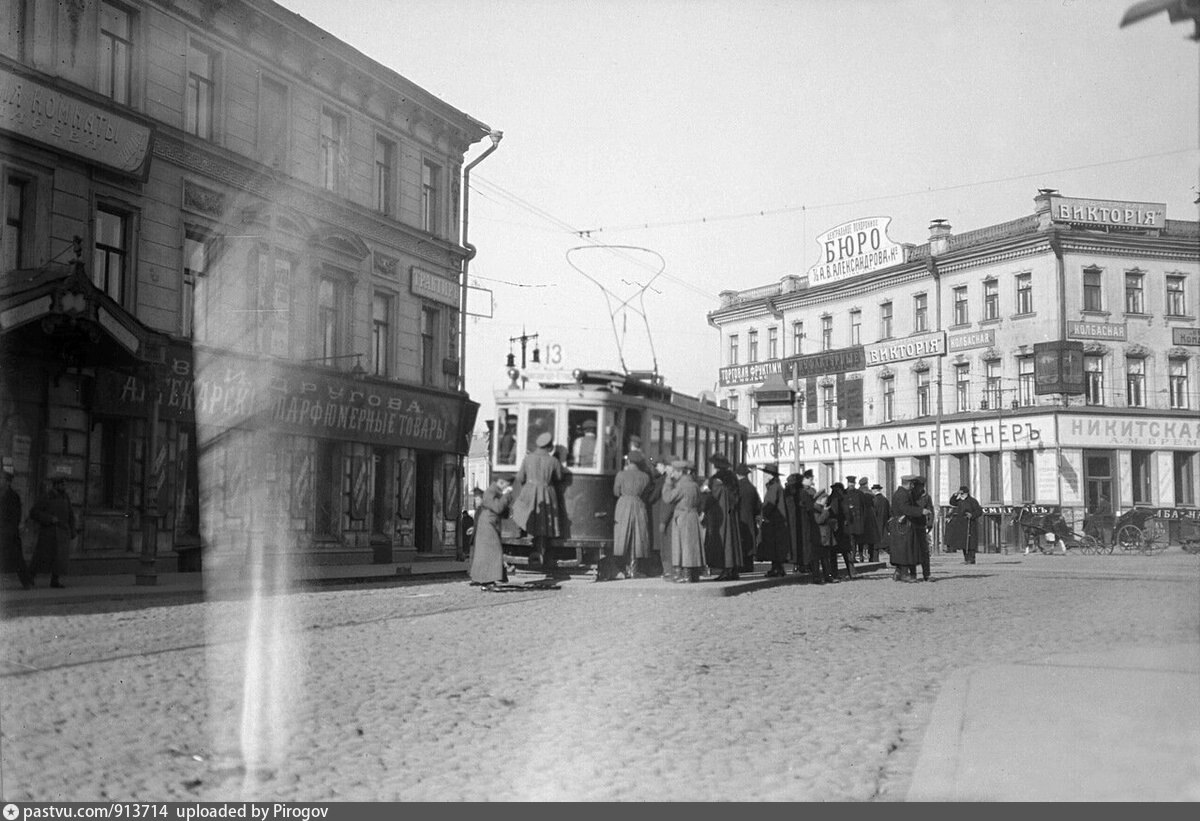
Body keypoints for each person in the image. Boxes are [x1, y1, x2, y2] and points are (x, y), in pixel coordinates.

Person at [511, 431, 564, 578]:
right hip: (546, 492)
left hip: (529, 490)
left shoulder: (528, 458)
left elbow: (520, 477)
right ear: (549, 446)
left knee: (525, 514)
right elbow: (560, 477)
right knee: (543, 523)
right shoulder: (553, 460)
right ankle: (541, 550)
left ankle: (524, 538)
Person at [662, 459, 704, 583]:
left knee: (682, 546)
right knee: (692, 546)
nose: (673, 474)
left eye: (674, 472)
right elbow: (700, 502)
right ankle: (693, 574)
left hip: (682, 516)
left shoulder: (681, 485)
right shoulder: (695, 485)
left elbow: (667, 498)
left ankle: (684, 574)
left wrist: (668, 481)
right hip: (693, 516)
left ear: (680, 472)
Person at [28, 477, 75, 589]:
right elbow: (34, 512)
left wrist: (72, 530)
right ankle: (29, 578)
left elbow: (71, 515)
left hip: (62, 532)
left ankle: (55, 580)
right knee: (41, 558)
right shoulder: (46, 497)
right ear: (56, 485)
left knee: (59, 559)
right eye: (62, 485)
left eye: (65, 485)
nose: (64, 487)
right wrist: (49, 518)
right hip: (48, 533)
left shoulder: (65, 497)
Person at [702, 453, 741, 581]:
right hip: (731, 513)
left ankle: (726, 569)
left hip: (720, 514)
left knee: (724, 540)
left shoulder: (716, 481)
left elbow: (712, 497)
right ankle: (733, 569)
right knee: (732, 540)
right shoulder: (732, 477)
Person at [468, 477, 514, 586]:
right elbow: (497, 507)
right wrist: (506, 495)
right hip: (488, 524)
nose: (507, 487)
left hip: (491, 524)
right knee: (493, 551)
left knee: (489, 552)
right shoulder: (490, 491)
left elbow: (502, 510)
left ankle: (486, 579)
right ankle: (487, 579)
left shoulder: (495, 491)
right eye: (506, 484)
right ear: (501, 482)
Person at [613, 454, 652, 578]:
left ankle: (622, 569)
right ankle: (634, 569)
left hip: (623, 505)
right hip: (639, 505)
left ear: (628, 461)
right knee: (637, 536)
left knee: (622, 536)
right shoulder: (645, 477)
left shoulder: (621, 475)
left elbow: (616, 492)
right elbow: (646, 494)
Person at [888, 474, 924, 583]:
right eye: (912, 484)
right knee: (905, 549)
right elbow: (905, 508)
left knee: (902, 549)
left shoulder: (902, 493)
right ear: (908, 484)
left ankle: (898, 573)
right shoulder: (902, 494)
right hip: (903, 526)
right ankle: (904, 574)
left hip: (901, 525)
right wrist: (920, 511)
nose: (913, 486)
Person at [1, 467, 32, 590]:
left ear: (8, 482)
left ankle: (26, 582)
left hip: (9, 534)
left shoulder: (13, 497)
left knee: (17, 560)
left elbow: (16, 516)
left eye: (1, 479)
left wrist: (10, 531)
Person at [756, 464, 790, 577]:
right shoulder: (777, 486)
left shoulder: (773, 487)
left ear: (771, 475)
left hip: (773, 522)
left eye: (766, 473)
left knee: (774, 546)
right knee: (776, 546)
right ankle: (778, 568)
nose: (764, 475)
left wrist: (763, 516)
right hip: (777, 522)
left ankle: (776, 568)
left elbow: (769, 504)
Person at [647, 455, 676, 580]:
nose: (656, 469)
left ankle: (663, 569)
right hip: (660, 512)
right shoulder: (664, 479)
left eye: (657, 466)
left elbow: (652, 497)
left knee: (659, 541)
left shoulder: (661, 480)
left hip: (658, 513)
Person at [944, 485, 984, 563]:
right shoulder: (959, 501)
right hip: (961, 524)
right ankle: (966, 558)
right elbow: (952, 502)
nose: (961, 495)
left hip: (970, 524)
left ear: (966, 493)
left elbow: (979, 511)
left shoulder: (972, 501)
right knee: (963, 543)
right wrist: (955, 495)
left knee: (970, 543)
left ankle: (971, 559)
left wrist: (972, 515)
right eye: (960, 494)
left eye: (962, 494)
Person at [827, 482, 857, 580]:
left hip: (835, 530)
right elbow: (848, 514)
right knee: (846, 552)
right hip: (841, 530)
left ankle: (835, 573)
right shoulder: (842, 499)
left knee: (834, 553)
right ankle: (851, 572)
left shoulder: (832, 499)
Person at [734, 464, 761, 574]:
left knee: (741, 542)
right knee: (749, 542)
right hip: (750, 519)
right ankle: (749, 565)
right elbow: (758, 505)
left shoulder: (736, 487)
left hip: (739, 519)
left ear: (737, 474)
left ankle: (741, 565)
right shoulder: (751, 488)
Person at [842, 475, 868, 565]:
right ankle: (852, 557)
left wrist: (864, 520)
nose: (851, 485)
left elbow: (864, 507)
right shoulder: (844, 493)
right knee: (851, 539)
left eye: (852, 483)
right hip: (849, 521)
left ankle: (860, 556)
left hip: (858, 521)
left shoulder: (859, 494)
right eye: (850, 483)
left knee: (859, 539)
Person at [912, 477, 934, 580]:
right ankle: (913, 574)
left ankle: (927, 574)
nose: (919, 489)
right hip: (911, 526)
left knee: (924, 551)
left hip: (921, 526)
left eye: (921, 486)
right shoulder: (910, 496)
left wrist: (929, 524)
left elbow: (930, 510)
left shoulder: (926, 497)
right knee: (912, 550)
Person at [856, 477, 879, 562]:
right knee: (871, 538)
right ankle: (871, 557)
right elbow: (875, 504)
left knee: (861, 538)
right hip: (870, 516)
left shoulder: (857, 492)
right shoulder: (870, 493)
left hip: (860, 516)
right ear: (866, 483)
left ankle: (861, 556)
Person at [870, 483, 890, 563]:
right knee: (885, 543)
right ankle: (894, 557)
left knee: (875, 544)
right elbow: (889, 512)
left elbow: (873, 512)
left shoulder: (874, 500)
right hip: (884, 523)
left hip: (875, 524)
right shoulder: (885, 500)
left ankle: (875, 560)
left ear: (875, 490)